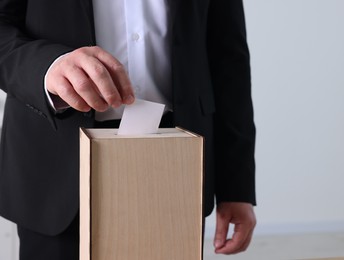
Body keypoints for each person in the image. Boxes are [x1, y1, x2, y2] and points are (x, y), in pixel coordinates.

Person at [0, 0, 257, 259]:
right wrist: (48, 67)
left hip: (178, 158)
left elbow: (228, 59)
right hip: (55, 161)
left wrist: (236, 187)